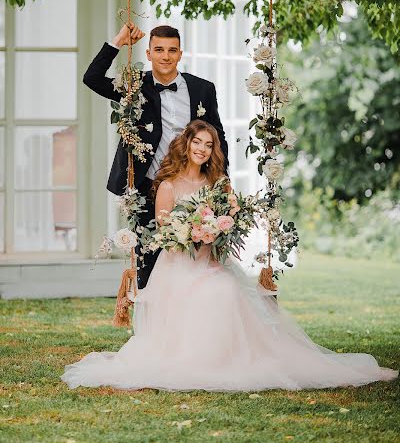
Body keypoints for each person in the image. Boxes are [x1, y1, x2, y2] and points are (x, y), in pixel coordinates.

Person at [61, 120, 398, 392]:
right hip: (177, 265)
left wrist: (215, 230)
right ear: (186, 144)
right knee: (207, 293)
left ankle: (227, 359)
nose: (202, 149)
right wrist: (189, 230)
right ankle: (192, 361)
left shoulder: (219, 182)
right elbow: (163, 232)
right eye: (197, 143)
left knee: (224, 289)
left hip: (211, 262)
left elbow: (232, 220)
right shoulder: (167, 185)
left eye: (208, 145)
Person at [83, 24, 229, 288]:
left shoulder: (202, 89)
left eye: (172, 50)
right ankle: (151, 325)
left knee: (193, 261)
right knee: (149, 260)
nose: (165, 56)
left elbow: (217, 136)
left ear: (180, 54)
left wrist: (221, 181)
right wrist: (118, 41)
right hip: (146, 185)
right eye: (159, 50)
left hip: (190, 188)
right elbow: (92, 78)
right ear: (148, 54)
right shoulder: (134, 85)